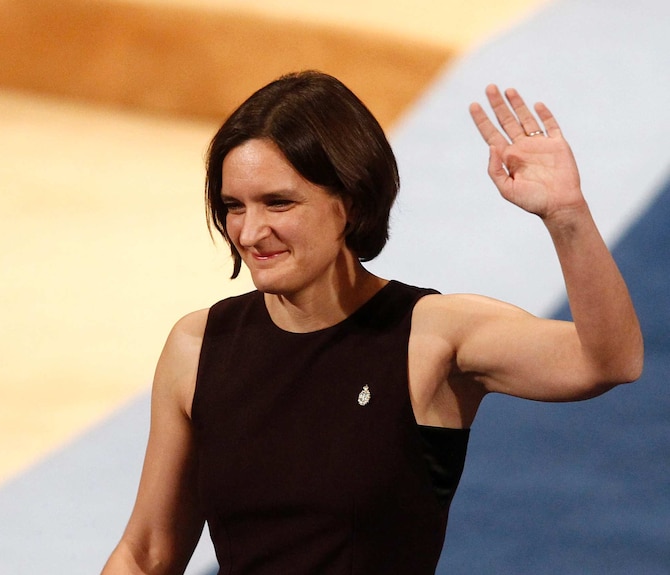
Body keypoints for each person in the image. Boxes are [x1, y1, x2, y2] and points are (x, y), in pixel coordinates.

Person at [101, 70, 643, 574]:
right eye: (233, 205)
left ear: (352, 203)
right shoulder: (198, 346)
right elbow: (147, 551)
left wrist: (567, 216)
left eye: (278, 203)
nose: (248, 231)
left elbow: (608, 361)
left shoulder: (432, 336)